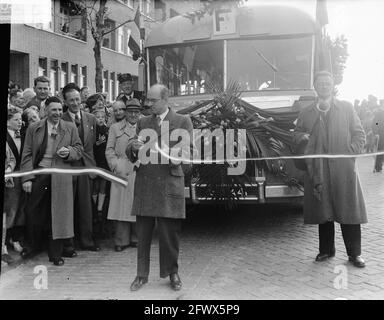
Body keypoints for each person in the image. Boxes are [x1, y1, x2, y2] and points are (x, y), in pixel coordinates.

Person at [294, 71, 367, 268]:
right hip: (319, 170)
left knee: (349, 211)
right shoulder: (306, 112)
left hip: (344, 170)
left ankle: (354, 254)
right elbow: (297, 133)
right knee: (323, 211)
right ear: (315, 87)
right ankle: (326, 250)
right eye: (320, 83)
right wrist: (301, 138)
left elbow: (359, 135)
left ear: (332, 86)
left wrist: (350, 153)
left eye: (327, 83)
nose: (324, 86)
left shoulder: (346, 108)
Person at [126, 84, 193, 291]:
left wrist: (169, 153)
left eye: (153, 101)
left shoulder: (183, 121)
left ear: (166, 100)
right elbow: (131, 148)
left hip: (169, 183)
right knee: (143, 233)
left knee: (169, 234)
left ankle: (172, 273)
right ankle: (141, 274)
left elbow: (188, 155)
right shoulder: (143, 122)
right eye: (148, 100)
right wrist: (133, 148)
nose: (148, 104)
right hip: (146, 183)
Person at [20, 97, 83, 265]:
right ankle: (33, 246)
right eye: (53, 110)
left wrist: (69, 152)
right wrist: (27, 178)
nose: (57, 113)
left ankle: (55, 254)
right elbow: (26, 154)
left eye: (59, 110)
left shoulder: (69, 127)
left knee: (59, 214)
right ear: (45, 110)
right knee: (33, 212)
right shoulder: (35, 128)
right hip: (40, 173)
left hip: (61, 175)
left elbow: (79, 149)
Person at [61, 83, 100, 252]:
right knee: (67, 206)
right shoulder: (61, 119)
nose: (75, 103)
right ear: (65, 101)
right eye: (71, 100)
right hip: (67, 167)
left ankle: (86, 240)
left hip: (85, 167)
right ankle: (68, 244)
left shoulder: (90, 118)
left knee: (86, 206)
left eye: (77, 99)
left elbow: (91, 146)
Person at [106, 99, 142, 252]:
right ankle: (121, 240)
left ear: (139, 113)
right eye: (130, 111)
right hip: (121, 169)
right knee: (120, 206)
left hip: (139, 169)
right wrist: (115, 165)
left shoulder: (145, 127)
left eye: (136, 112)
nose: (133, 115)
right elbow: (109, 150)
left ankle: (136, 238)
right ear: (125, 112)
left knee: (136, 205)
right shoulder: (115, 128)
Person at [4, 107, 26, 254]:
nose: (20, 122)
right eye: (16, 120)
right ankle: (5, 242)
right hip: (10, 178)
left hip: (22, 175)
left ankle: (15, 238)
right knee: (10, 209)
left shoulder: (23, 135)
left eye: (21, 119)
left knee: (21, 209)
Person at [92, 109, 109, 233]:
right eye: (98, 117)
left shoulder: (107, 130)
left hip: (104, 161)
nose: (100, 119)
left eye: (102, 117)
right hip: (95, 160)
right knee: (95, 185)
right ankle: (94, 206)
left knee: (103, 184)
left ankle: (100, 207)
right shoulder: (93, 131)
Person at [372, 102, 384, 172]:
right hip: (380, 135)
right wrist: (376, 132)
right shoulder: (379, 114)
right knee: (380, 150)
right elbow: (376, 123)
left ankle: (380, 165)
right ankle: (378, 166)